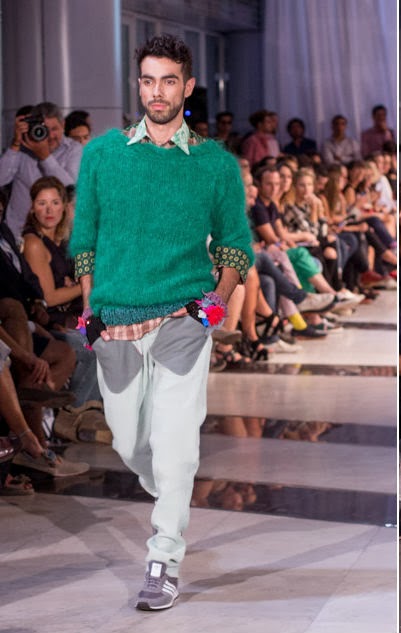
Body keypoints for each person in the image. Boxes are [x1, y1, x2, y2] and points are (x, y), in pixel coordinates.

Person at [69, 33, 254, 611]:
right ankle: (170, 490)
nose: (157, 91)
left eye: (168, 80)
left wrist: (209, 309)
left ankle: (163, 558)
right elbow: (84, 241)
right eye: (148, 80)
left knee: (174, 445)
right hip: (115, 323)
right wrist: (91, 314)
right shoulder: (103, 155)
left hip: (182, 320)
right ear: (139, 85)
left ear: (188, 86)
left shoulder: (214, 164)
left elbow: (236, 246)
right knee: (129, 442)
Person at [0, 102, 83, 241]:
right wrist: (15, 144)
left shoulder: (74, 150)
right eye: (44, 129)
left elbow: (70, 190)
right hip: (17, 235)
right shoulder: (22, 147)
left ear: (63, 125)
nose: (49, 135)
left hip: (56, 238)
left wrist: (44, 157)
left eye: (54, 129)